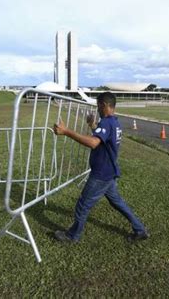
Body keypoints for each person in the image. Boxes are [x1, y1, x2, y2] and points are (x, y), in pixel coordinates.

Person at [52, 92, 149, 243]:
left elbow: (93, 143)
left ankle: (72, 236)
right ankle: (140, 229)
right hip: (109, 172)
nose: (97, 110)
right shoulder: (114, 122)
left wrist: (66, 132)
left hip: (101, 174)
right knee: (118, 203)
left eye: (98, 106)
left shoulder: (106, 122)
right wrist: (92, 126)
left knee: (82, 206)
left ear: (104, 105)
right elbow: (103, 140)